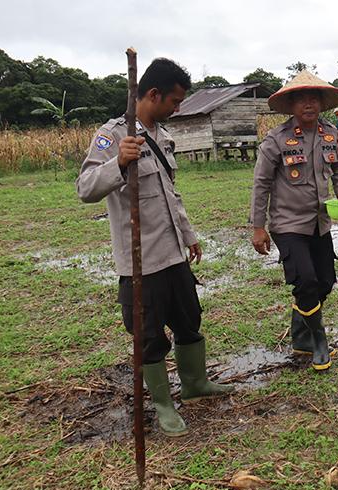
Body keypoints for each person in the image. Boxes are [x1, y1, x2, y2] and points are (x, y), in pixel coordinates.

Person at [76, 58, 232, 437]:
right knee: (148, 336)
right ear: (152, 94)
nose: (178, 109)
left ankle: (195, 385)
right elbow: (85, 189)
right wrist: (118, 163)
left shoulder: (162, 136)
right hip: (140, 262)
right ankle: (163, 404)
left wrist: (189, 234)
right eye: (175, 101)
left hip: (173, 253)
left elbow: (170, 195)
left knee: (189, 320)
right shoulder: (113, 135)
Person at [250, 70, 338, 370]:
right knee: (305, 281)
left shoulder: (330, 134)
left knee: (325, 282)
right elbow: (261, 183)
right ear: (292, 105)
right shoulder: (276, 139)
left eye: (314, 99)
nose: (309, 105)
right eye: (302, 100)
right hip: (288, 224)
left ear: (321, 103)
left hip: (321, 222)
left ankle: (299, 331)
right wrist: (258, 227)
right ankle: (318, 340)